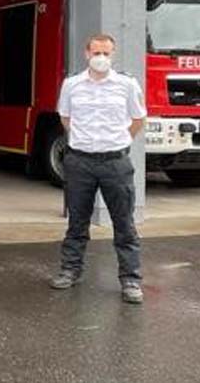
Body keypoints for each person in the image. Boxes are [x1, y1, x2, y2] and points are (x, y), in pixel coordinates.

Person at [50, 33, 147, 305]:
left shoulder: (126, 85)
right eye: (96, 53)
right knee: (77, 221)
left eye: (106, 53)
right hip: (80, 161)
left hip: (115, 162)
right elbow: (65, 117)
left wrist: (121, 142)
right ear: (86, 53)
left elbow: (138, 118)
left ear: (112, 55)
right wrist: (84, 142)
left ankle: (130, 279)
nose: (101, 58)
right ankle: (70, 269)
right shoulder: (71, 85)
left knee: (124, 223)